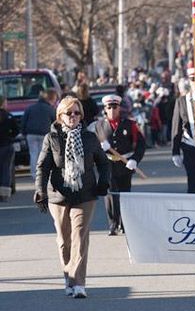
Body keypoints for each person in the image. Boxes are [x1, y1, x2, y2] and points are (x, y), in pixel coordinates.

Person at [33, 96, 111, 298]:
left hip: (85, 194)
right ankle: (68, 276)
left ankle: (79, 284)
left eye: (77, 113)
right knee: (64, 240)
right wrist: (40, 191)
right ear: (60, 116)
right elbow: (42, 167)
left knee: (80, 238)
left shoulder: (90, 138)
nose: (74, 116)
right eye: (69, 113)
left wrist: (103, 182)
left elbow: (103, 163)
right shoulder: (52, 138)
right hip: (58, 195)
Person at [95, 95, 146, 236]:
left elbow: (141, 144)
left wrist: (135, 160)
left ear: (119, 108)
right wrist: (100, 148)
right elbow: (92, 146)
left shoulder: (129, 124)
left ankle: (124, 223)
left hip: (125, 163)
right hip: (107, 163)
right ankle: (113, 224)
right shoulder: (99, 125)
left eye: (114, 107)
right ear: (105, 109)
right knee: (110, 194)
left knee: (124, 194)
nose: (112, 110)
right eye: (109, 107)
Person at [21, 88, 59, 181]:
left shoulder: (30, 108)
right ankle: (42, 172)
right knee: (43, 154)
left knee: (33, 154)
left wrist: (23, 132)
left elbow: (24, 121)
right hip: (44, 134)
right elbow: (55, 121)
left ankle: (34, 174)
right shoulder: (50, 109)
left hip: (31, 134)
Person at [0, 96, 19, 201]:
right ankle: (4, 194)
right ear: (3, 103)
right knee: (6, 169)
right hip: (7, 145)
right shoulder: (9, 116)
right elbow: (16, 131)